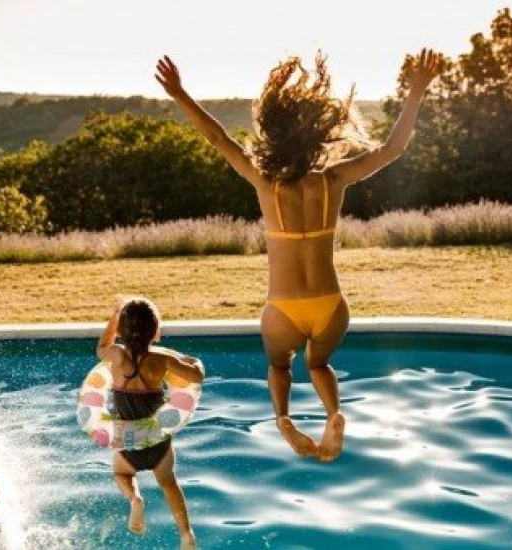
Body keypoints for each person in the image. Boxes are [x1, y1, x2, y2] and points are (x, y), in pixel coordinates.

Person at [155, 50, 443, 462]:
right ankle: (333, 414)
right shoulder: (334, 180)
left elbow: (219, 138)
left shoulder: (265, 181)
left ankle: (285, 418)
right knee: (319, 364)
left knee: (280, 365)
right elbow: (393, 148)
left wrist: (180, 94)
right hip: (331, 307)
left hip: (284, 308)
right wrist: (416, 91)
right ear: (318, 137)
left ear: (275, 134)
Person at [97, 297, 205, 549]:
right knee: (168, 483)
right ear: (155, 331)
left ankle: (135, 499)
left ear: (121, 331)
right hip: (157, 440)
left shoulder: (115, 356)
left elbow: (102, 345)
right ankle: (186, 535)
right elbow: (196, 377)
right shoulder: (163, 360)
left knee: (122, 473)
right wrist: (195, 362)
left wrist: (115, 316)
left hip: (127, 440)